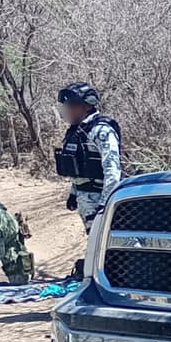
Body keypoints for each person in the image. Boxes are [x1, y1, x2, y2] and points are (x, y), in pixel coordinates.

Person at [55, 81, 121, 249]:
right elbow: (79, 167)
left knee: (104, 245)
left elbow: (112, 170)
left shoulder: (102, 131)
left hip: (99, 199)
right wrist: (73, 193)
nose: (68, 110)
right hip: (85, 199)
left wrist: (106, 204)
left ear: (86, 106)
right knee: (95, 241)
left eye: (71, 106)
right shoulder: (77, 131)